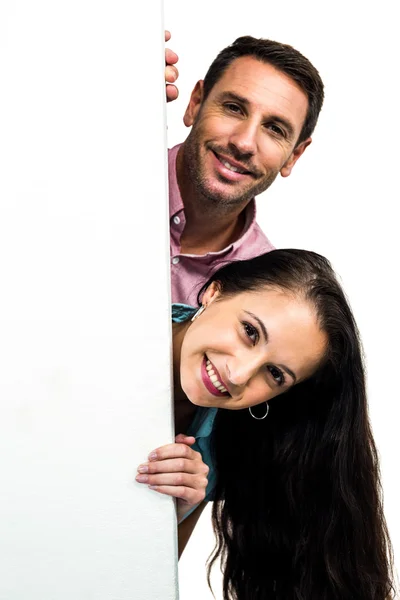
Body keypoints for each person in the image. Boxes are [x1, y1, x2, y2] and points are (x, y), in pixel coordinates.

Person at [136, 249, 394, 599]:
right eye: (249, 332)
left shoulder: (213, 453)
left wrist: (165, 511)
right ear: (214, 293)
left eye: (274, 374)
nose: (239, 375)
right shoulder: (113, 325)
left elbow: (135, 581)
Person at [165, 33, 325, 305]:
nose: (244, 143)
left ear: (294, 155)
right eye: (233, 108)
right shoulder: (104, 170)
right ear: (195, 103)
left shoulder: (268, 295)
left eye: (275, 129)